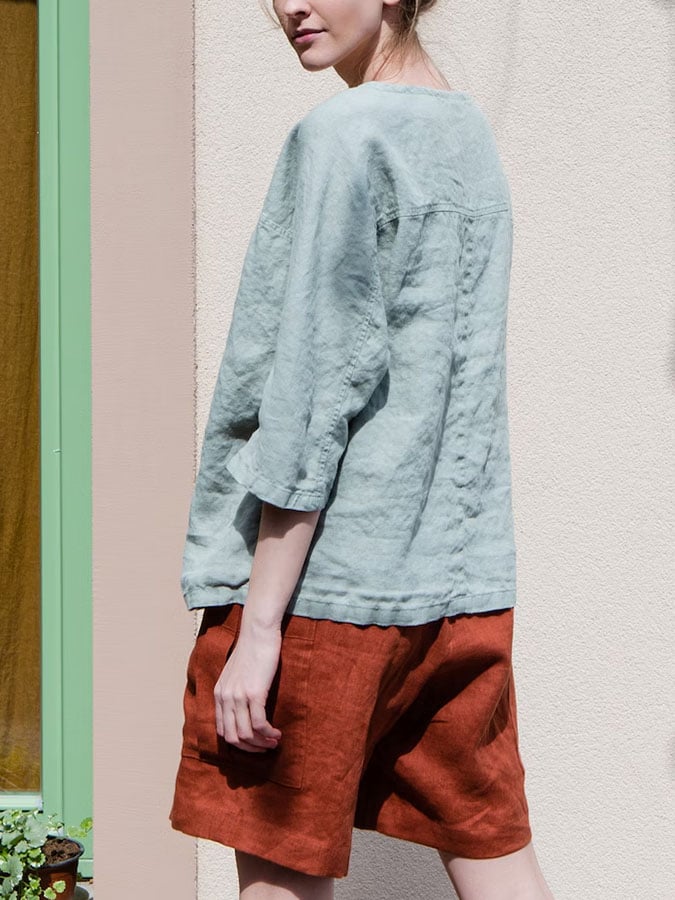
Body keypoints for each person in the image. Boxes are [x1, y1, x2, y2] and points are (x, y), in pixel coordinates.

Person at [170, 1, 556, 898]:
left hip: (324, 596)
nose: (289, 5)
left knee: (281, 875)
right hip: (458, 592)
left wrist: (259, 629)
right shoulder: (465, 134)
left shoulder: (345, 134)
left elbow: (313, 386)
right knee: (496, 857)